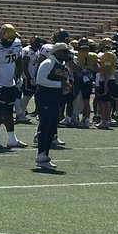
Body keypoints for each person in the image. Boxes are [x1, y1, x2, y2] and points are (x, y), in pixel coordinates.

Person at [0, 24, 26, 150]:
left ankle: (12, 139)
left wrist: (19, 77)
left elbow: (19, 60)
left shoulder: (17, 43)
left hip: (10, 83)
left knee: (9, 111)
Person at [33, 42, 73, 171]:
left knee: (51, 127)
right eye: (65, 52)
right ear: (58, 52)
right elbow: (40, 80)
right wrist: (59, 85)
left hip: (55, 99)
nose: (67, 54)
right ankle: (41, 154)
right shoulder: (48, 64)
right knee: (45, 126)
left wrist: (65, 88)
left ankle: (45, 154)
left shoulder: (62, 66)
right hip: (45, 98)